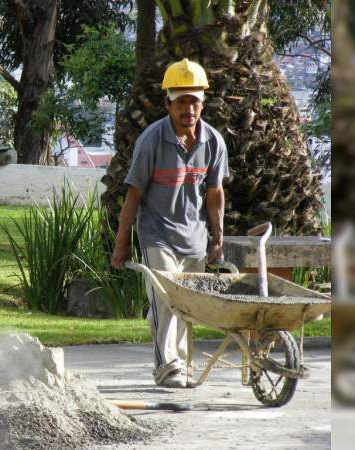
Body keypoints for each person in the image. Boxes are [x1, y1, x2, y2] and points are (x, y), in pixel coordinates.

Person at [110, 58, 228, 389]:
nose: (188, 109)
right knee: (165, 300)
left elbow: (215, 194)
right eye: (181, 102)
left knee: (187, 305)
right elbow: (133, 196)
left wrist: (217, 239)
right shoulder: (151, 140)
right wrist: (122, 243)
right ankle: (167, 366)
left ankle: (182, 363)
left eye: (194, 101)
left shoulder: (214, 142)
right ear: (168, 103)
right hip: (157, 234)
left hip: (195, 238)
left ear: (202, 103)